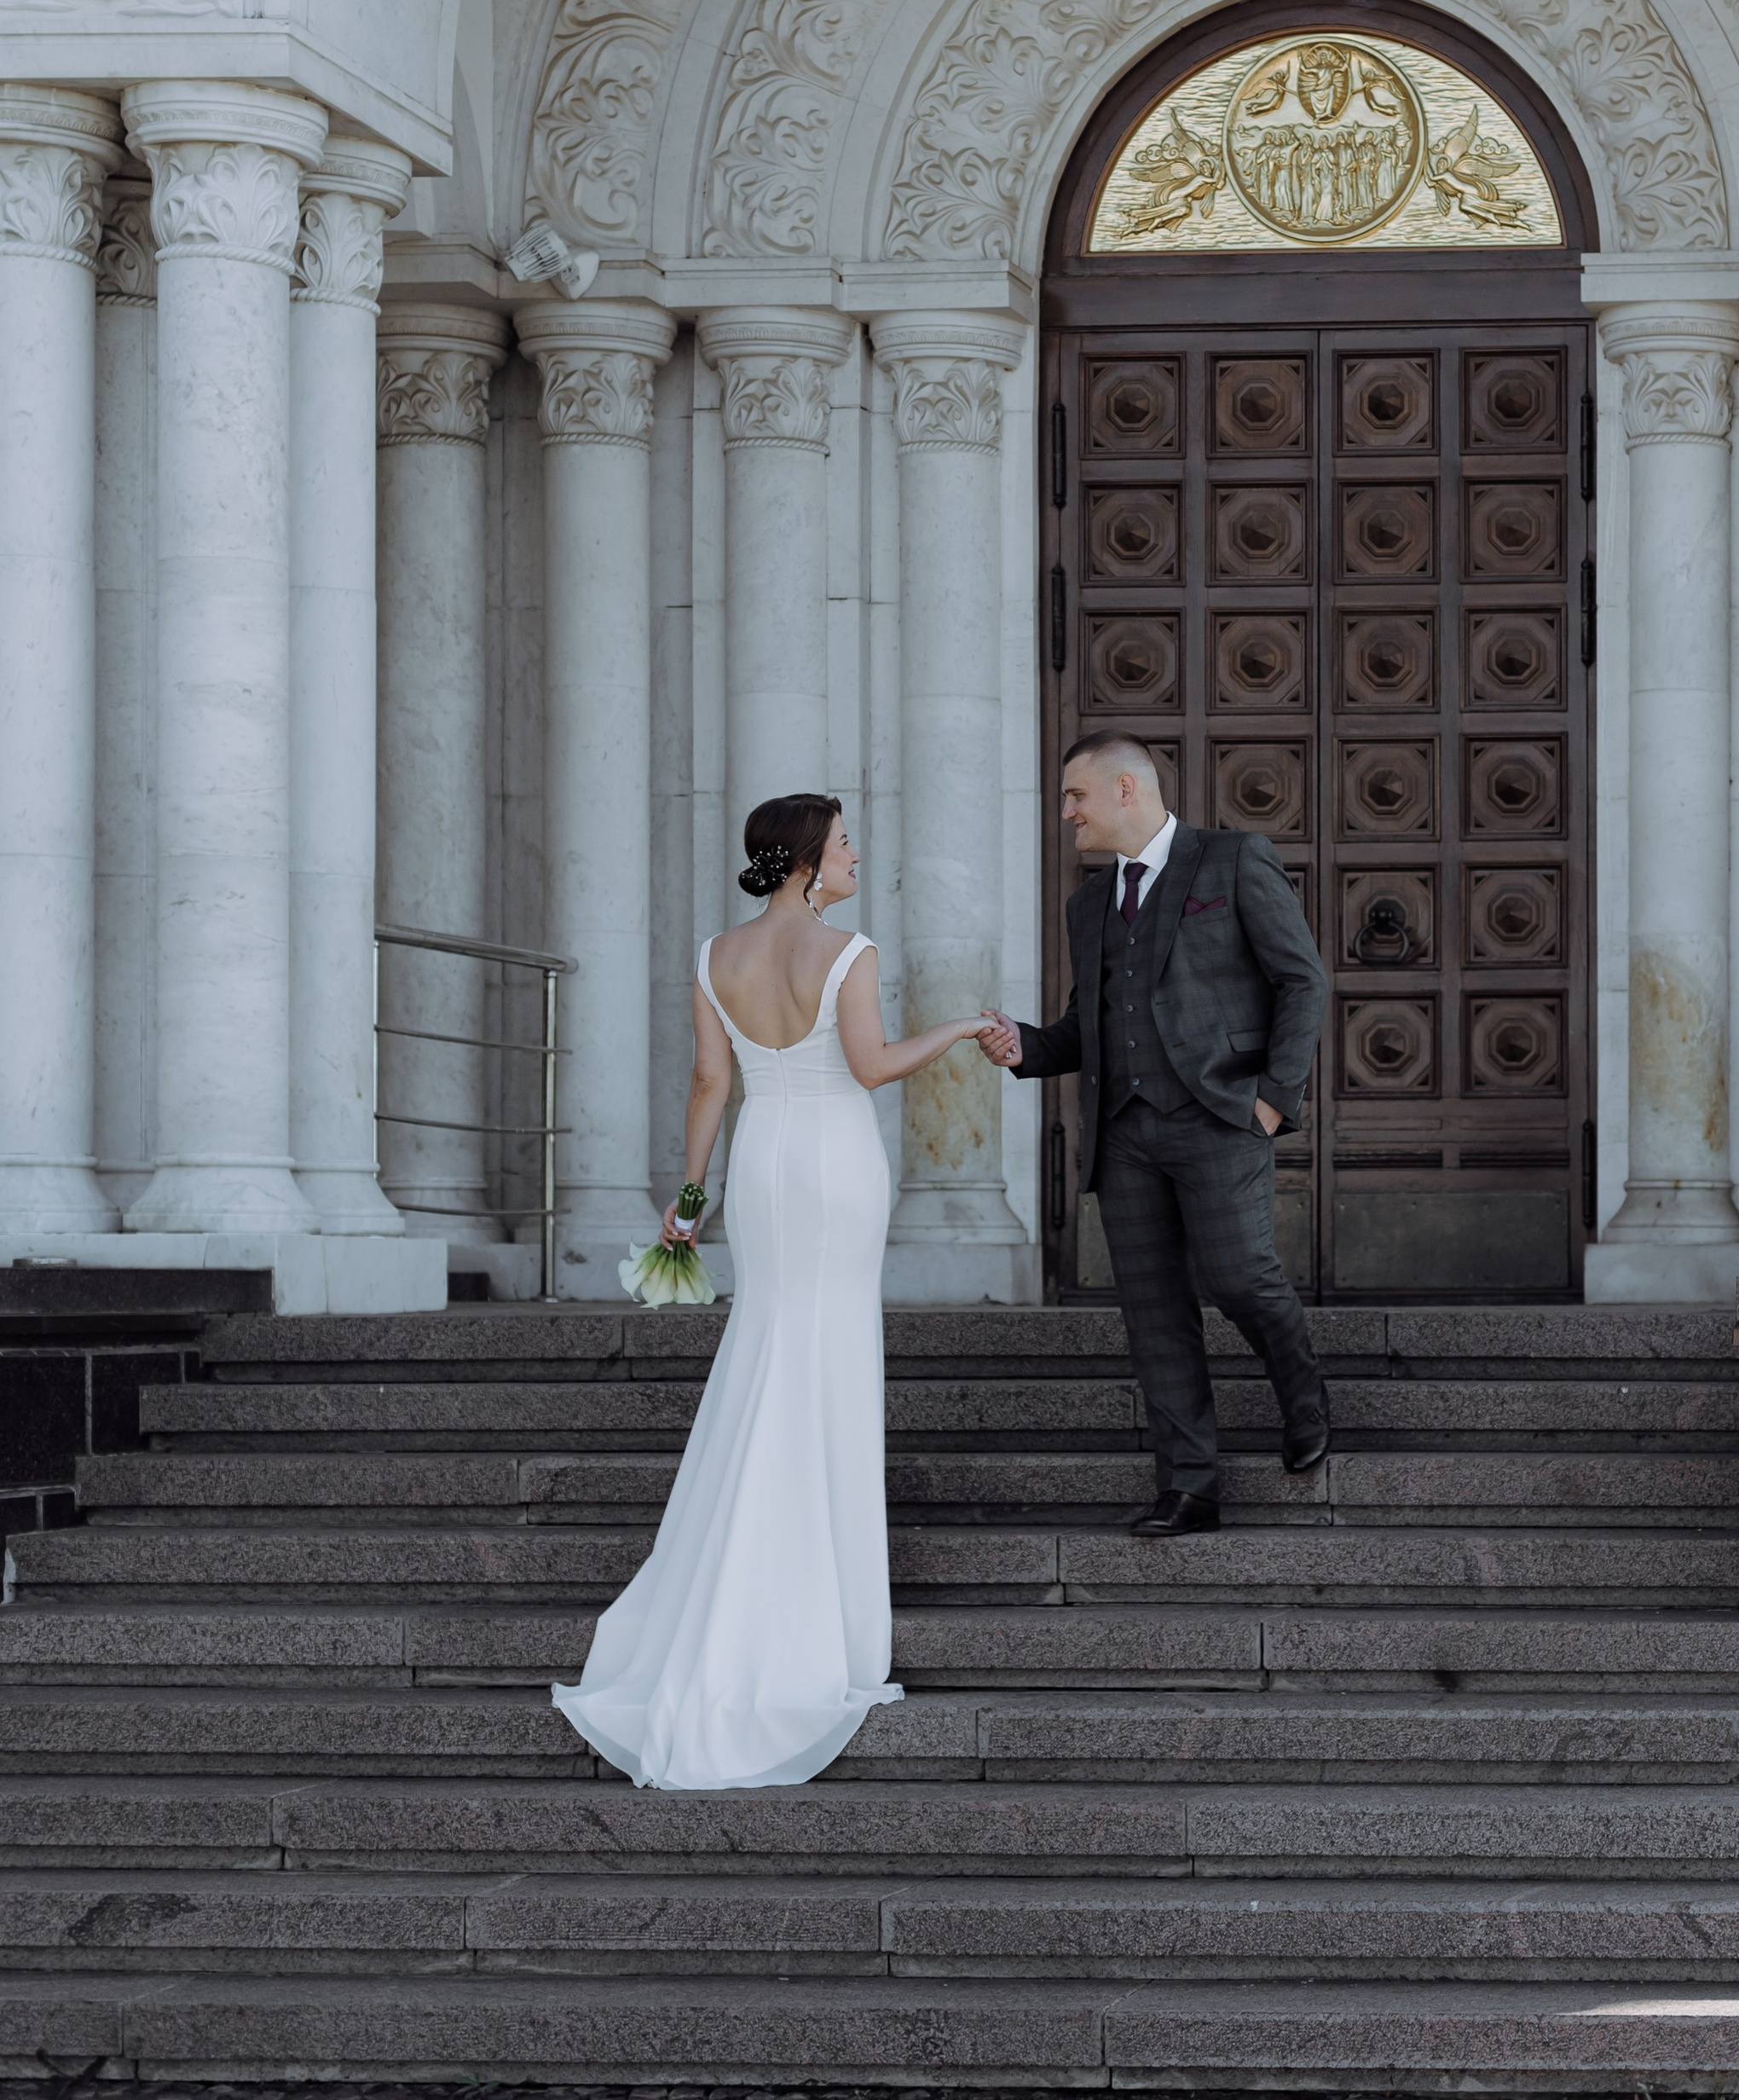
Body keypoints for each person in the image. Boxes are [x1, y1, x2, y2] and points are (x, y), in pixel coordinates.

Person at [551, 792, 991, 1788]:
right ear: (805, 860)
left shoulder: (715, 955)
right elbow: (873, 1068)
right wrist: (961, 1027)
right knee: (826, 1361)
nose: (853, 855)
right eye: (843, 843)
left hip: (758, 1166)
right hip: (836, 1164)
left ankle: (741, 1582)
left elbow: (711, 1084)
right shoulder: (850, 951)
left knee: (767, 1347)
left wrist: (687, 1201)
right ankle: (818, 1614)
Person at [975, 735, 1330, 1536]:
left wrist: (1273, 1098)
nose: (1066, 812)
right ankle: (1190, 1487)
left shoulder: (1234, 860)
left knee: (1241, 1279)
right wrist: (1025, 1045)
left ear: (1126, 788)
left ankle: (1303, 1397)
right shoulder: (1089, 904)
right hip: (1125, 1134)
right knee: (1154, 1314)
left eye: (1076, 797)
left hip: (1221, 1117)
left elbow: (1301, 979)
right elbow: (1089, 1026)